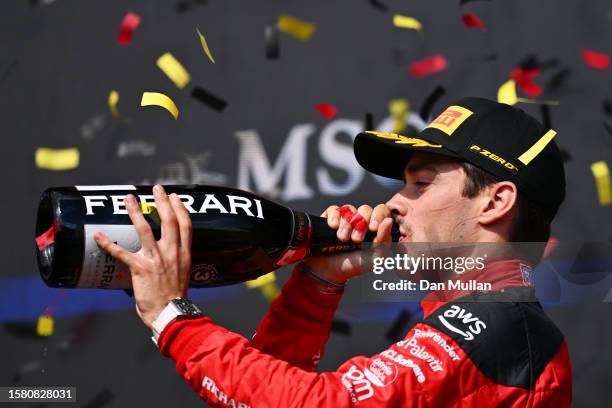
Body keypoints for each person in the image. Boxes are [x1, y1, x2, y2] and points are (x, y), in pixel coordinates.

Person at [94, 97, 572, 407]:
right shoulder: (487, 322)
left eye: (421, 184)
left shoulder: (503, 326)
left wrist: (173, 320)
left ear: (497, 201)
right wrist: (316, 284)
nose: (392, 203)